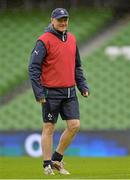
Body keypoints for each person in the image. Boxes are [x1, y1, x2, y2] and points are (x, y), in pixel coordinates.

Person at [28, 8, 89, 175]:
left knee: (74, 125)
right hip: (50, 92)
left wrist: (82, 86)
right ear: (52, 20)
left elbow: (77, 66)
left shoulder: (72, 39)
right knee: (49, 127)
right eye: (60, 19)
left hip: (69, 92)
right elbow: (33, 68)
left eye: (65, 19)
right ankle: (47, 165)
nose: (63, 22)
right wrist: (38, 93)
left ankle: (56, 158)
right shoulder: (43, 40)